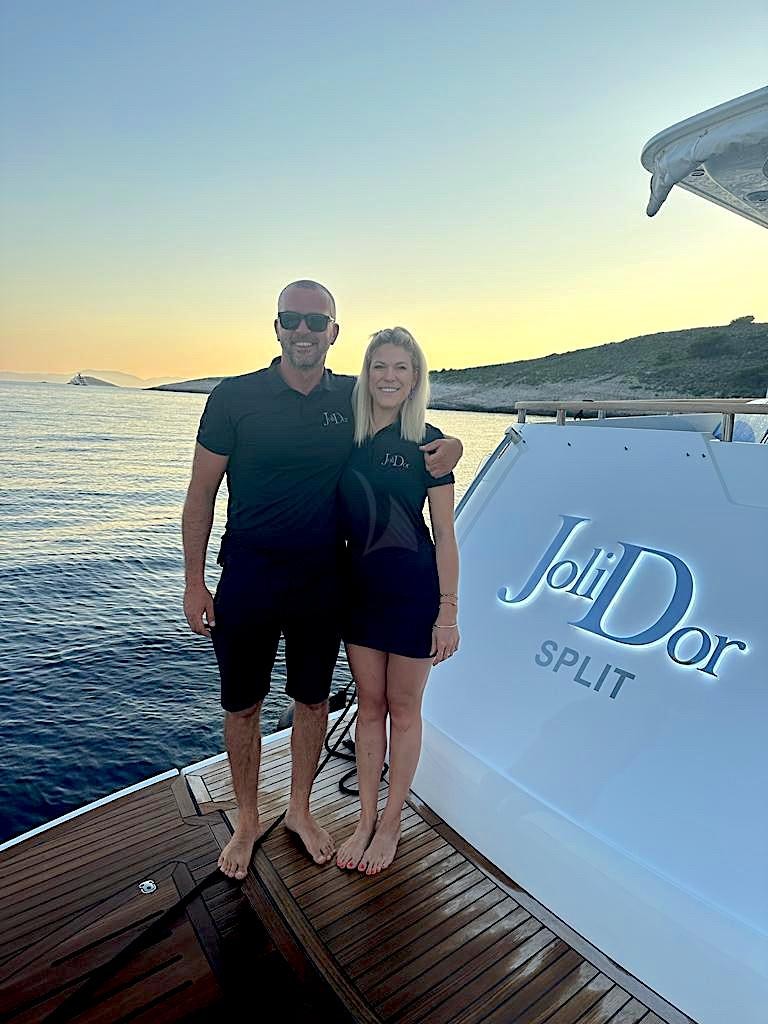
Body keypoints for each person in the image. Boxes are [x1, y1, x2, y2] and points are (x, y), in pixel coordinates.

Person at [182, 281, 462, 880]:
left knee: (312, 700)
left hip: (325, 581)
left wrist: (451, 444)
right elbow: (201, 493)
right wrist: (193, 582)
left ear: (334, 332)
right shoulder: (234, 397)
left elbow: (403, 411)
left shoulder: (350, 398)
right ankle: (248, 819)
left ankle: (300, 811)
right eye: (293, 320)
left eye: (316, 321)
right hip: (249, 576)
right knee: (242, 705)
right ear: (277, 327)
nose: (304, 331)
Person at [335, 327, 460, 876]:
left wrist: (448, 611)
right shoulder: (344, 435)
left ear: (415, 379)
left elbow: (446, 535)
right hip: (358, 593)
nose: (389, 376)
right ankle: (364, 819)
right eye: (379, 366)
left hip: (412, 593)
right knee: (369, 707)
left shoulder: (429, 446)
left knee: (404, 710)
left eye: (400, 368)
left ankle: (390, 824)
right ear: (366, 374)